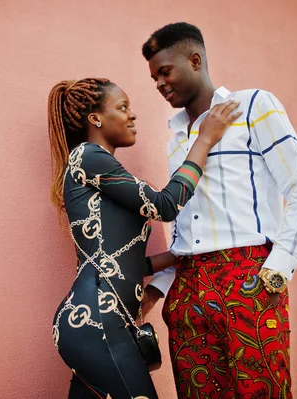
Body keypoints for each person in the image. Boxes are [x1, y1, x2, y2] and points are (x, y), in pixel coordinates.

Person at [140, 22, 297, 398]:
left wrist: (275, 273)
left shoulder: (254, 105)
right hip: (189, 289)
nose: (159, 83)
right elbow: (186, 231)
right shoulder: (177, 138)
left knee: (262, 392)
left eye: (165, 71)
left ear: (195, 60)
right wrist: (158, 293)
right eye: (154, 77)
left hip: (247, 276)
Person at [48, 77, 241, 399]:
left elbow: (117, 260)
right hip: (98, 322)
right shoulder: (88, 156)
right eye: (122, 107)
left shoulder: (98, 166)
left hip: (96, 321)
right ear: (95, 119)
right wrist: (204, 140)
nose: (132, 115)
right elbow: (165, 206)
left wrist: (178, 256)